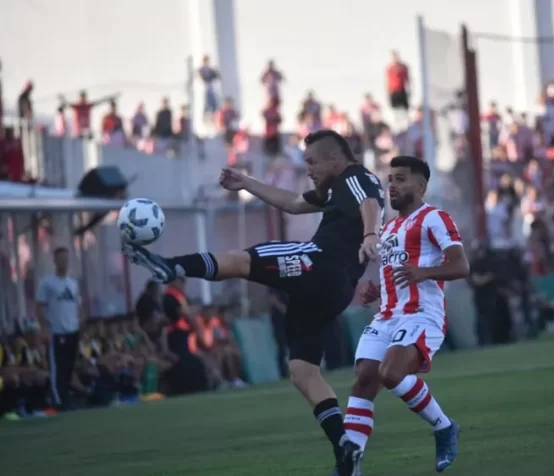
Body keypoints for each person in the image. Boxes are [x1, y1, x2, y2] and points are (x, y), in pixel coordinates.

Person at [122, 129, 385, 476]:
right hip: (334, 290)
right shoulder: (338, 188)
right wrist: (247, 182)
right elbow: (294, 203)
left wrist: (371, 234)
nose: (308, 169)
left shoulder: (355, 176)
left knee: (242, 260)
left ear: (335, 158)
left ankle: (171, 266)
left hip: (320, 264)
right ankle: (345, 449)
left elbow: (369, 202)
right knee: (303, 371)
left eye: (312, 162)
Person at [342, 156, 469, 474]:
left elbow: (461, 265)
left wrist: (424, 272)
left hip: (422, 315)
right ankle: (350, 466)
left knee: (391, 373)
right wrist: (377, 292)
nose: (393, 186)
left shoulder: (435, 218)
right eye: (390, 180)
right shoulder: (387, 228)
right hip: (387, 316)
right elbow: (398, 275)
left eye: (401, 179)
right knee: (364, 380)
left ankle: (444, 427)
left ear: (421, 186)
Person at [35, 246, 84, 410]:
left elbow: (78, 306)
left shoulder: (73, 284)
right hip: (57, 331)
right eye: (61, 259)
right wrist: (44, 328)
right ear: (55, 261)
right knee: (58, 367)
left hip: (72, 330)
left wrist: (80, 323)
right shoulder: (47, 283)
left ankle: (66, 396)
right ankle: (57, 399)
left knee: (69, 366)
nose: (64, 262)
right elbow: (40, 307)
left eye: (66, 259)